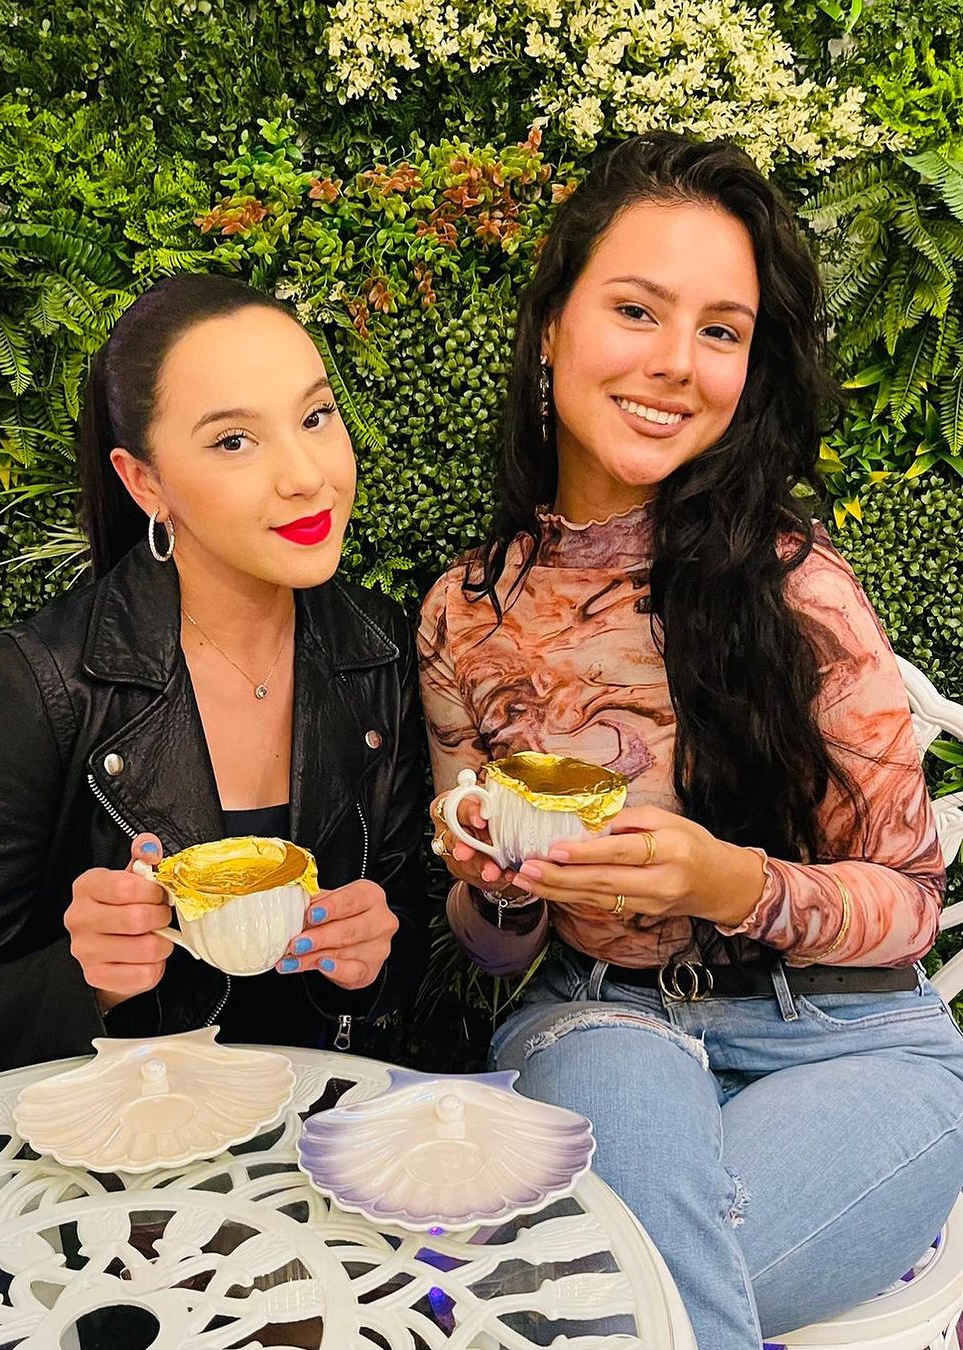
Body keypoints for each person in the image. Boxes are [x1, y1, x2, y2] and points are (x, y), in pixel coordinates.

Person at [419, 133, 963, 1348]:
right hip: (600, 1018)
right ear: (551, 325)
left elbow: (914, 902)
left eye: (720, 329)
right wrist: (496, 892)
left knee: (579, 1297)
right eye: (637, 309)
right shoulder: (467, 611)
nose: (676, 364)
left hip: (853, 1039)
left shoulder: (800, 588)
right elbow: (494, 949)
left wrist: (730, 882)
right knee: (617, 1298)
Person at [0, 273, 428, 1104]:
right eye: (234, 441)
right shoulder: (45, 681)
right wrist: (82, 978)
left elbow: (402, 973)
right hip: (104, 1179)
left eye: (315, 417)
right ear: (145, 483)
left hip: (314, 1153)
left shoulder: (375, 651)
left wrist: (371, 958)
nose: (307, 476)